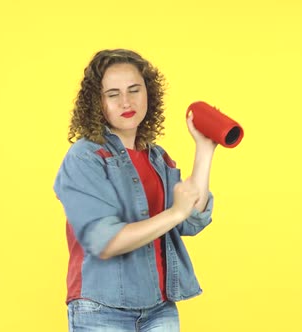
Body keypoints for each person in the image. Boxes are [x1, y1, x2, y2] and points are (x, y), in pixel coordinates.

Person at [53, 49, 217, 332]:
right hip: (101, 308)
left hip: (159, 307)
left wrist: (204, 149)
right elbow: (107, 241)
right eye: (113, 94)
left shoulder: (157, 158)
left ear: (148, 94)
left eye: (134, 90)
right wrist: (174, 212)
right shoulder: (85, 158)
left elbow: (191, 220)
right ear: (97, 102)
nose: (126, 102)